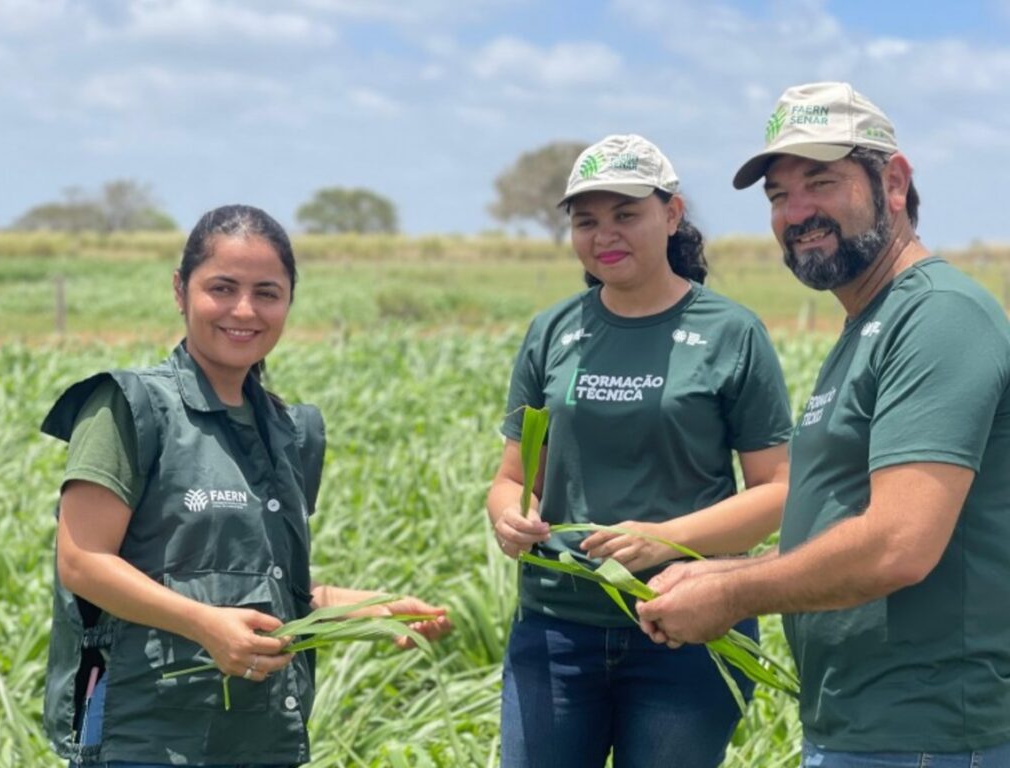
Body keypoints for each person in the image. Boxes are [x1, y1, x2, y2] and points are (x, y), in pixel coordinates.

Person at [638, 82, 1010, 766]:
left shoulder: (939, 317)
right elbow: (848, 526)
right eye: (779, 196)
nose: (797, 211)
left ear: (892, 183)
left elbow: (899, 543)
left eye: (821, 182)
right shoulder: (868, 324)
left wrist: (730, 591)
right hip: (863, 726)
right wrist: (722, 572)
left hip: (926, 735)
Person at [41, 204, 451, 768]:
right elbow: (82, 562)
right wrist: (204, 625)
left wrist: (365, 612)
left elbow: (265, 588)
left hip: (262, 736)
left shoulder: (289, 431)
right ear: (180, 291)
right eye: (222, 287)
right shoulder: (129, 407)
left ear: (288, 301)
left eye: (267, 292)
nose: (244, 310)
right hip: (145, 734)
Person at [487, 134, 792, 768]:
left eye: (626, 214)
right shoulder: (552, 331)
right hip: (554, 629)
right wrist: (507, 517)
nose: (606, 235)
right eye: (586, 221)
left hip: (684, 625)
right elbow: (513, 478)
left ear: (672, 215)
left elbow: (778, 492)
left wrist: (666, 540)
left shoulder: (730, 333)